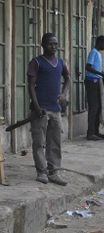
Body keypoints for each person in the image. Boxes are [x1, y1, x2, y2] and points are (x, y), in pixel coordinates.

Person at [28, 33, 70, 186]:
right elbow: (31, 86)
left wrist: (64, 94)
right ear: (43, 45)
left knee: (55, 142)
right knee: (39, 142)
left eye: (55, 44)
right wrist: (37, 106)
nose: (53, 47)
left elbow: (68, 78)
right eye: (50, 44)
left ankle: (54, 171)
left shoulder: (60, 62)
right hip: (40, 110)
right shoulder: (36, 63)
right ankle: (41, 171)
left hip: (55, 109)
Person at [85, 35, 104, 141]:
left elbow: (97, 69)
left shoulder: (98, 53)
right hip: (91, 81)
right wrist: (101, 74)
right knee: (93, 107)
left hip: (96, 80)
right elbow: (88, 67)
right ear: (99, 42)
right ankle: (90, 133)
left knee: (98, 107)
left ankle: (96, 131)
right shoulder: (93, 52)